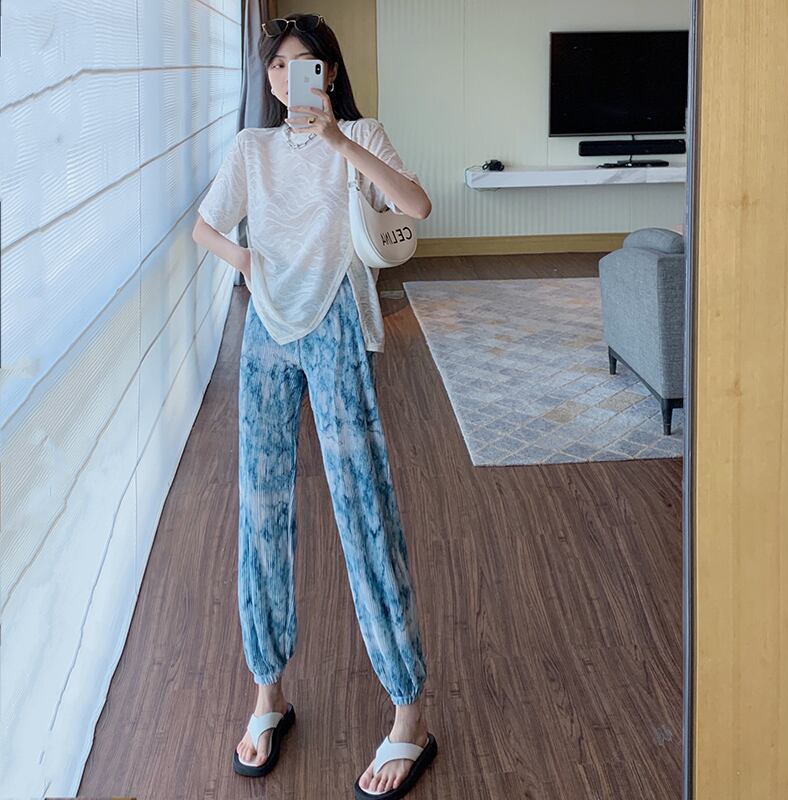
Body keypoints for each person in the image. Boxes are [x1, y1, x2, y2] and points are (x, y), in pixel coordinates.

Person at [191, 12, 436, 800]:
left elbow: (416, 207)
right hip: (266, 330)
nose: (287, 77)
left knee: (364, 505)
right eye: (277, 66)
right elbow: (203, 227)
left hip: (334, 324)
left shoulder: (360, 133)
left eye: (304, 64)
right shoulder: (250, 148)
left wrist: (338, 142)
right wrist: (248, 260)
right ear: (267, 78)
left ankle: (409, 713)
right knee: (260, 509)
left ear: (327, 73)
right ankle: (268, 692)